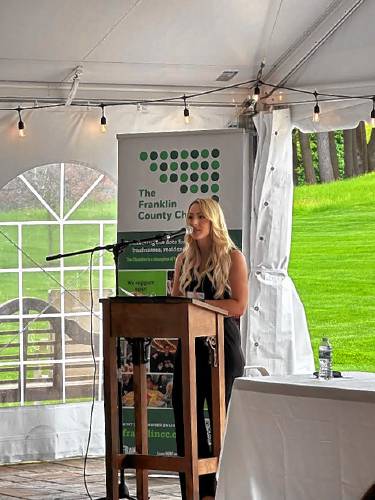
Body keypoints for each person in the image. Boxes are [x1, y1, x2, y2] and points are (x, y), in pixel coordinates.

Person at [171, 197, 248, 500]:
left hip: (221, 349)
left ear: (214, 220)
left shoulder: (233, 257)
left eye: (201, 217)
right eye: (190, 216)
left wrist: (198, 306)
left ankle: (225, 489)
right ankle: (196, 491)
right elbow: (177, 303)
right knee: (185, 417)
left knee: (221, 422)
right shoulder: (183, 259)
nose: (194, 222)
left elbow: (238, 305)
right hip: (189, 347)